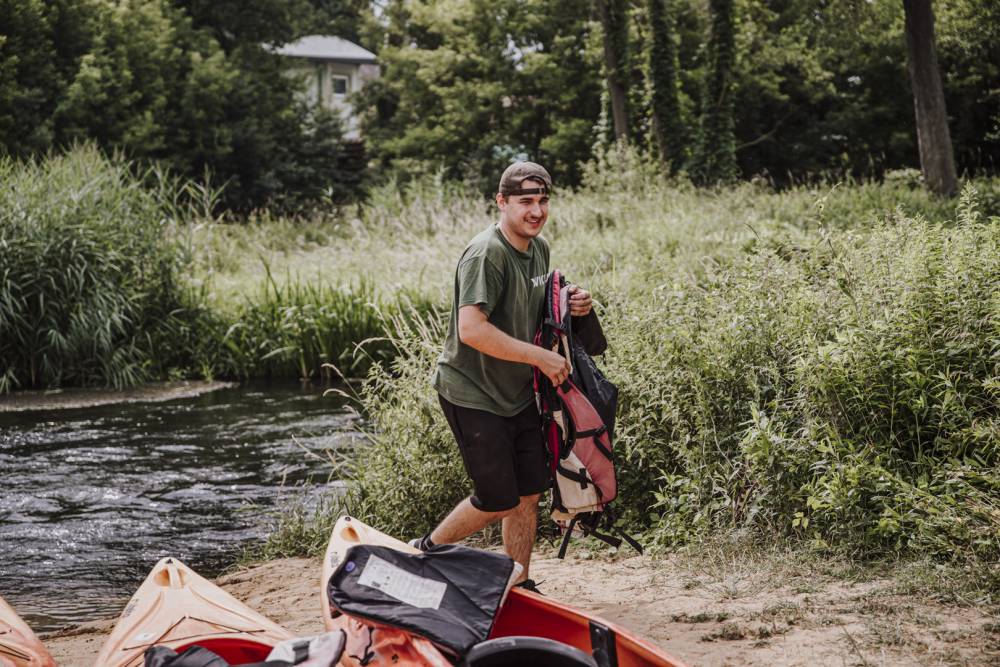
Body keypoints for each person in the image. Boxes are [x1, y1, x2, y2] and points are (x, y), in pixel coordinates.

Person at [411, 161, 593, 587]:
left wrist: (571, 301)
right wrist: (541, 358)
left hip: (518, 392)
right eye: (526, 201)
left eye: (543, 200)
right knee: (497, 499)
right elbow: (471, 330)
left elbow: (531, 304)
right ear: (502, 202)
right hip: (472, 392)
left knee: (528, 493)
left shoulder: (539, 247)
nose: (537, 211)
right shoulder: (485, 253)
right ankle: (422, 552)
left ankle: (519, 582)